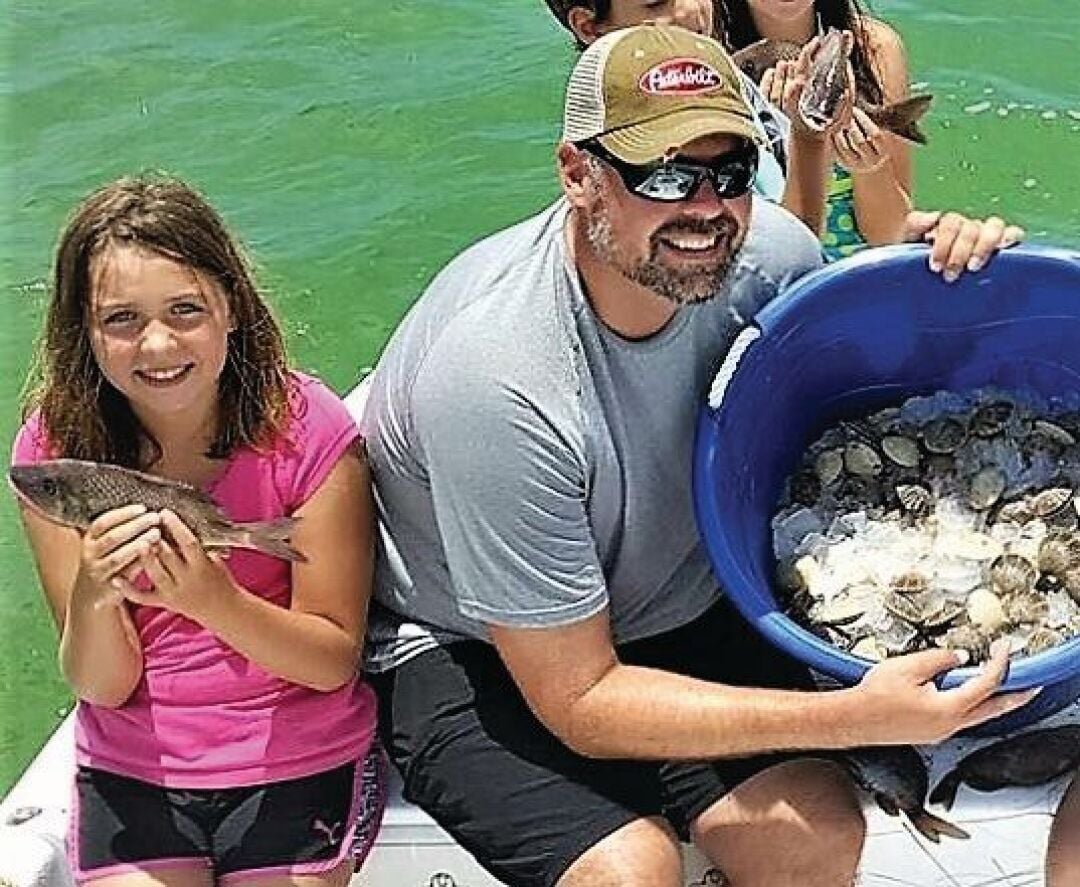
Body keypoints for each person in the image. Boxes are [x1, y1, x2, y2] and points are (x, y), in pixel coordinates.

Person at [359, 24, 1036, 887]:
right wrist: (851, 718)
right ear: (578, 175)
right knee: (629, 869)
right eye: (665, 174)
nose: (706, 209)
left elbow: (880, 363)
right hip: (472, 646)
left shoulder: (766, 258)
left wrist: (957, 263)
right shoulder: (501, 382)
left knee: (811, 833)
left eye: (728, 172)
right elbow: (581, 699)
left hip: (675, 599)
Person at [11, 176, 382, 886]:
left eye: (185, 309)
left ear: (233, 308)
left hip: (298, 756)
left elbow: (332, 659)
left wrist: (213, 600)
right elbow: (102, 684)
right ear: (82, 332)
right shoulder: (53, 454)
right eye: (121, 320)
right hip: (131, 766)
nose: (156, 343)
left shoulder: (308, 430)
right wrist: (96, 587)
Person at [545, 1, 1026, 274]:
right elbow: (760, 255)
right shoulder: (701, 64)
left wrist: (870, 166)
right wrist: (805, 140)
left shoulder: (873, 48)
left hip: (852, 269)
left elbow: (887, 233)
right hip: (757, 281)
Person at [544, 0, 837, 234]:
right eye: (656, 3)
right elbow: (787, 254)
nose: (691, 10)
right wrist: (811, 137)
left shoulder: (728, 80)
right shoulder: (618, 142)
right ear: (588, 26)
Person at [714, 0, 917, 259]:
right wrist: (798, 139)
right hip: (769, 281)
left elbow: (892, 236)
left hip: (858, 273)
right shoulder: (709, 61)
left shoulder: (873, 47)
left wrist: (870, 169)